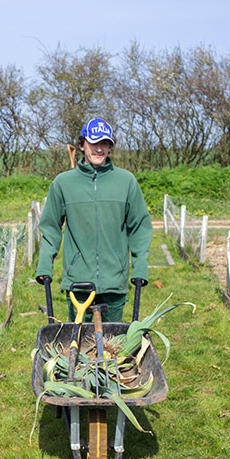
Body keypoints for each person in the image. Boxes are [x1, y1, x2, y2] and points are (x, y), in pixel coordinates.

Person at [35, 118, 152, 322]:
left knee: (113, 346)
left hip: (115, 279)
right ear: (81, 145)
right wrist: (45, 266)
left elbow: (140, 227)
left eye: (104, 143)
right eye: (94, 143)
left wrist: (140, 266)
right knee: (77, 344)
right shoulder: (63, 183)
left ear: (110, 147)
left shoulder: (126, 182)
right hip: (78, 282)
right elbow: (51, 228)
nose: (99, 149)